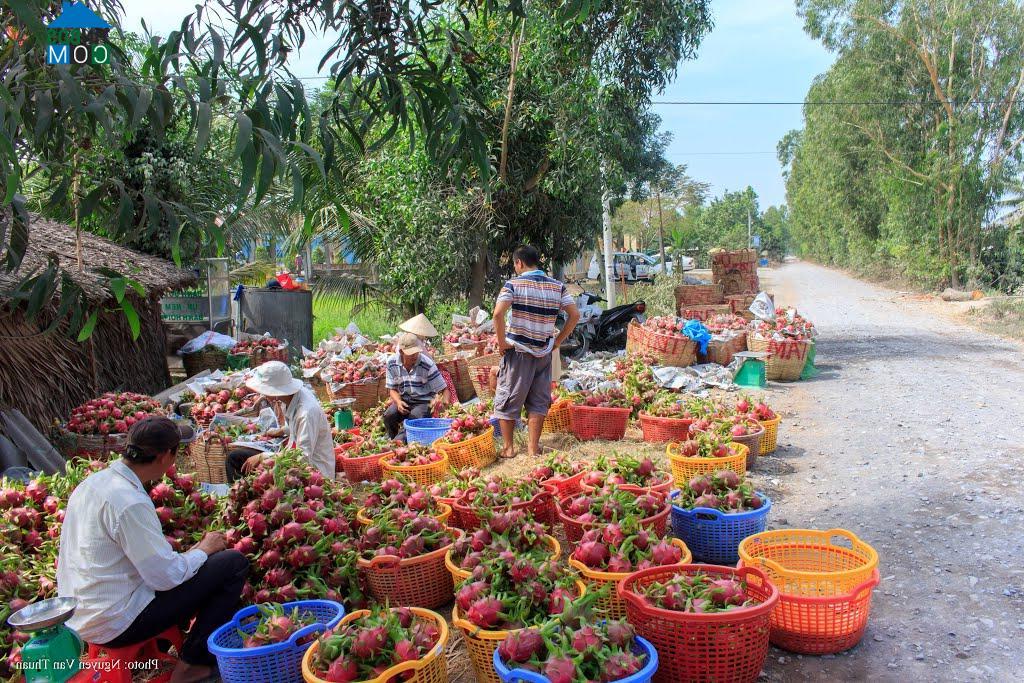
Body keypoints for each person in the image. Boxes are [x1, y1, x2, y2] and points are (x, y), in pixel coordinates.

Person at [57, 417, 248, 683]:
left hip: (80, 615)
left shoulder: (92, 484)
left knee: (193, 562)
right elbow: (164, 578)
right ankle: (192, 665)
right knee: (232, 564)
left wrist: (191, 556)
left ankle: (164, 651)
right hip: (116, 622)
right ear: (166, 456)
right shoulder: (130, 502)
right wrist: (204, 549)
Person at [492, 245, 580, 459]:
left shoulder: (513, 284)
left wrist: (502, 342)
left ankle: (509, 448)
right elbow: (574, 315)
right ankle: (533, 448)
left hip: (519, 352)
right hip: (544, 353)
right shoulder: (557, 286)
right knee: (538, 402)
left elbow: (497, 314)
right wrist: (557, 341)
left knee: (508, 399)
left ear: (519, 263)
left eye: (515, 264)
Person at [225, 361, 335, 482]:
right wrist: (281, 431)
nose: (263, 394)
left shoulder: (306, 412)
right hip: (292, 456)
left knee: (258, 471)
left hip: (312, 472)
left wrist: (263, 457)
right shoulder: (292, 397)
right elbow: (295, 426)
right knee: (234, 458)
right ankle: (241, 493)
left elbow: (302, 458)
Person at [383, 333, 450, 441]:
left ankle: (397, 443)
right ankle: (394, 439)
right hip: (404, 400)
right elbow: (393, 389)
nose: (415, 356)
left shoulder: (427, 364)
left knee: (413, 420)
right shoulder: (391, 363)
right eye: (411, 353)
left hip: (423, 403)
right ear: (401, 352)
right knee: (389, 415)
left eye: (416, 352)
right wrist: (398, 402)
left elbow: (444, 389)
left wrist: (444, 404)